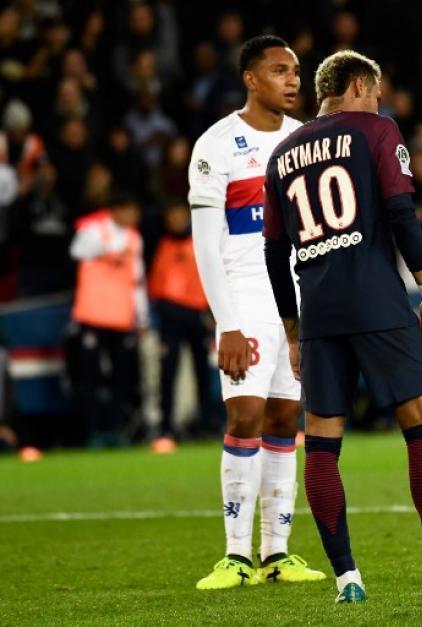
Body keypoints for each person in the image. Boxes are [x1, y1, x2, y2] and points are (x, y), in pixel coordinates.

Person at [264, 51, 422, 603]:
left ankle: (347, 579)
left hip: (318, 313)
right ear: (357, 85)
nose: (379, 102)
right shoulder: (376, 130)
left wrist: (293, 330)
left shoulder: (281, 154)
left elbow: (274, 253)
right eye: (376, 92)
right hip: (375, 300)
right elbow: (400, 213)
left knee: (322, 446)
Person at [188, 35, 323, 590]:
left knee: (285, 421)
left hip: (295, 300)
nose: (292, 80)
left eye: (295, 71)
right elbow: (205, 243)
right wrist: (227, 323)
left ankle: (276, 553)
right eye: (278, 71)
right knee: (245, 416)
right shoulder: (216, 144)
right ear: (250, 78)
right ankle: (235, 555)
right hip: (243, 297)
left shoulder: (304, 140)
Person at [69, 193, 147, 447]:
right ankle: (93, 431)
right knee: (89, 376)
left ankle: (114, 430)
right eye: (130, 210)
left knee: (121, 377)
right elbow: (76, 251)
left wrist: (142, 316)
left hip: (122, 318)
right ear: (116, 210)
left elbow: (137, 280)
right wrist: (110, 249)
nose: (134, 216)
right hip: (92, 316)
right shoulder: (93, 230)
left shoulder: (135, 238)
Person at [147, 200, 215, 451]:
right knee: (168, 372)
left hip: (197, 315)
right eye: (171, 216)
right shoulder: (160, 244)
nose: (176, 220)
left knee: (203, 373)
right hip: (170, 317)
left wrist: (211, 311)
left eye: (179, 215)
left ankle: (206, 424)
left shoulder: (200, 242)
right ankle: (165, 427)